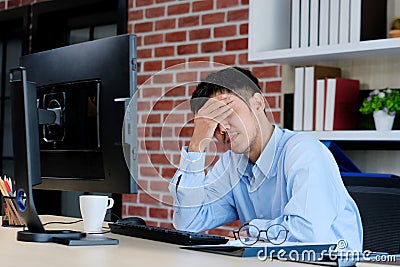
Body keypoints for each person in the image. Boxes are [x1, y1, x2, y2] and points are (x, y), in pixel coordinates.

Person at [168, 66, 363, 251]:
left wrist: (250, 229)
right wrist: (197, 144)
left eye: (226, 112)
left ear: (258, 103)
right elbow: (189, 222)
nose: (221, 129)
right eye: (212, 122)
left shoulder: (304, 151)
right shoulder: (230, 164)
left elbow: (307, 234)